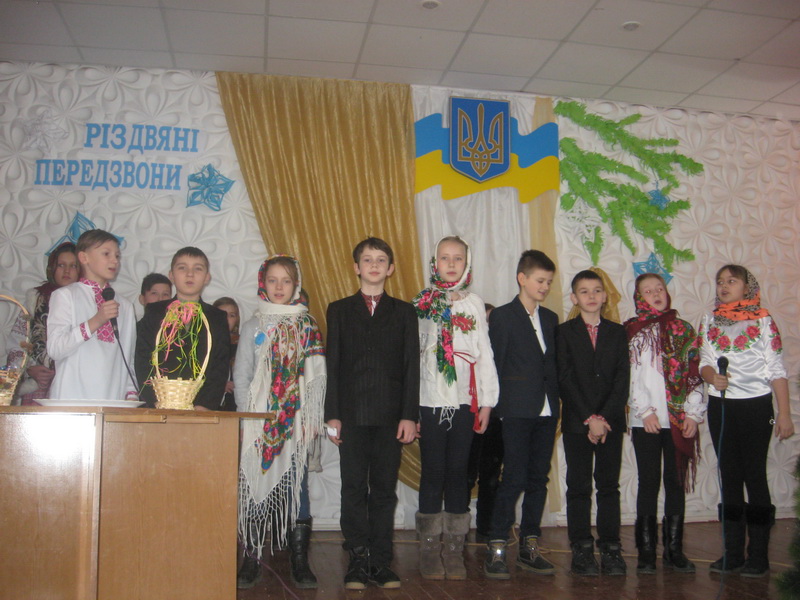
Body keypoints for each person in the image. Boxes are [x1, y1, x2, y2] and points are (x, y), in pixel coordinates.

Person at [324, 237, 419, 590]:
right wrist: (332, 414)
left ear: (390, 268)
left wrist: (409, 415)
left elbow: (411, 367)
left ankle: (380, 561)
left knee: (383, 490)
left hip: (390, 417)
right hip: (350, 415)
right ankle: (357, 559)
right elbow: (333, 365)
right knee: (352, 488)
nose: (374, 265)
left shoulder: (404, 312)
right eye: (368, 259)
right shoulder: (339, 310)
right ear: (356, 267)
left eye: (381, 260)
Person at [234, 256, 325, 590]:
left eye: (286, 280)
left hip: (295, 420)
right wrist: (246, 419)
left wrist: (312, 418)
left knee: (297, 486)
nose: (279, 287)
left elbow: (316, 376)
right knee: (252, 484)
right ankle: (253, 556)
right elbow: (242, 375)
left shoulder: (307, 325)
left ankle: (299, 559)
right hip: (259, 421)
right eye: (272, 280)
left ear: (296, 285)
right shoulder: (253, 325)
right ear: (263, 283)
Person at [699, 264, 794, 577]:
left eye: (732, 281)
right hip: (721, 406)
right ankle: (733, 553)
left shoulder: (763, 320)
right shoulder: (710, 320)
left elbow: (776, 369)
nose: (724, 286)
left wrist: (784, 413)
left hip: (756, 407)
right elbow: (704, 363)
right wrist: (712, 377)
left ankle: (758, 556)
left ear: (746, 287)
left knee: (754, 476)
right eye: (720, 281)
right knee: (729, 477)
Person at [413, 236, 498, 580]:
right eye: (445, 258)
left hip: (464, 401)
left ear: (467, 263)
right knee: (433, 472)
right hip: (431, 400)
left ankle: (454, 550)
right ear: (435, 263)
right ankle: (429, 549)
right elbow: (412, 357)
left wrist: (487, 402)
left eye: (458, 258)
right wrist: (411, 409)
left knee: (459, 472)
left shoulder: (474, 304)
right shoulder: (422, 303)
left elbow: (485, 354)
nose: (451, 264)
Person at [484, 250, 560, 580]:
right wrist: (495, 408)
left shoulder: (551, 319)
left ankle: (530, 546)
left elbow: (552, 365)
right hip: (515, 410)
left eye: (549, 282)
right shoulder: (502, 316)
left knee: (538, 479)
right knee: (513, 477)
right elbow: (495, 364)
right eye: (540, 280)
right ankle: (497, 544)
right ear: (522, 279)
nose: (545, 287)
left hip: (546, 410)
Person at [625, 273, 705, 575]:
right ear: (639, 297)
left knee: (675, 482)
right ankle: (646, 551)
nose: (656, 294)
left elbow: (694, 373)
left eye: (659, 288)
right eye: (648, 291)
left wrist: (693, 414)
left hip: (678, 419)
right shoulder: (633, 331)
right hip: (645, 420)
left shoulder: (683, 329)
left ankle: (674, 549)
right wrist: (645, 411)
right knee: (648, 482)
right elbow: (630, 376)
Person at [557, 270, 630, 576]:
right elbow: (565, 378)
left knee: (608, 486)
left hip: (610, 422)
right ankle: (582, 547)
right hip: (578, 422)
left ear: (604, 296)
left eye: (597, 290)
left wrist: (603, 417)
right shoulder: (564, 332)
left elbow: (622, 379)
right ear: (574, 298)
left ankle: (611, 547)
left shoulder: (618, 332)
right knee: (579, 486)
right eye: (584, 291)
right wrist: (589, 418)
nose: (591, 296)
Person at [134, 247, 230, 410]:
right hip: (159, 406)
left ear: (207, 277)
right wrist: (155, 401)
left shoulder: (217, 318)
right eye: (182, 268)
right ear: (171, 275)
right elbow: (143, 360)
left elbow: (220, 366)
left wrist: (203, 405)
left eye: (197, 269)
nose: (190, 274)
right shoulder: (154, 312)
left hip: (200, 409)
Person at [47, 230, 137, 400]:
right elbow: (55, 349)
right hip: (70, 398)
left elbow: (127, 358)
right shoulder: (65, 296)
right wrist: (96, 320)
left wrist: (131, 394)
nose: (115, 260)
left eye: (117, 256)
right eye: (106, 254)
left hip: (112, 400)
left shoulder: (125, 306)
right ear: (84, 257)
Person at [6, 242, 79, 404]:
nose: (67, 271)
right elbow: (17, 344)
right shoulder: (35, 301)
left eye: (73, 266)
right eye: (61, 265)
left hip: (74, 386)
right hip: (37, 386)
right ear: (52, 268)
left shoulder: (87, 302)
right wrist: (30, 369)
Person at [466, 303, 503, 543]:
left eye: (491, 321)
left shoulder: (501, 346)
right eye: (484, 321)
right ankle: (458, 527)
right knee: (465, 475)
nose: (488, 326)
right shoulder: (469, 345)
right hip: (468, 415)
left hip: (495, 419)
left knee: (490, 477)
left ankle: (486, 527)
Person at [213, 296, 240, 411]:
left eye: (232, 315)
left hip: (236, 404)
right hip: (210, 404)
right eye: (222, 314)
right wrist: (219, 385)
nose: (227, 319)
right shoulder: (205, 343)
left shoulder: (242, 343)